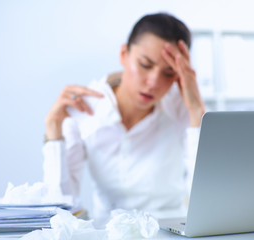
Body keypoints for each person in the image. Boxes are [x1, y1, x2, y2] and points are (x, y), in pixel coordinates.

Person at [43, 12, 205, 226]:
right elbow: (60, 209)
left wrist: (198, 112)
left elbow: (208, 195)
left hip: (170, 226)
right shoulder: (85, 109)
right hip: (108, 229)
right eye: (145, 65)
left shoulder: (182, 107)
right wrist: (54, 133)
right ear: (124, 54)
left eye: (168, 73)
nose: (153, 82)